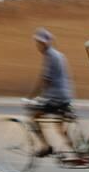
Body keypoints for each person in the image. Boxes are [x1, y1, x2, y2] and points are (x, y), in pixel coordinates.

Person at [27, 27, 75, 157]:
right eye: (38, 42)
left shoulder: (50, 56)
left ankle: (46, 146)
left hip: (56, 98)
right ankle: (78, 152)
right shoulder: (59, 55)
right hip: (65, 97)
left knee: (33, 116)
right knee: (59, 126)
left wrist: (31, 97)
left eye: (40, 43)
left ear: (46, 43)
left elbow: (44, 80)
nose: (39, 45)